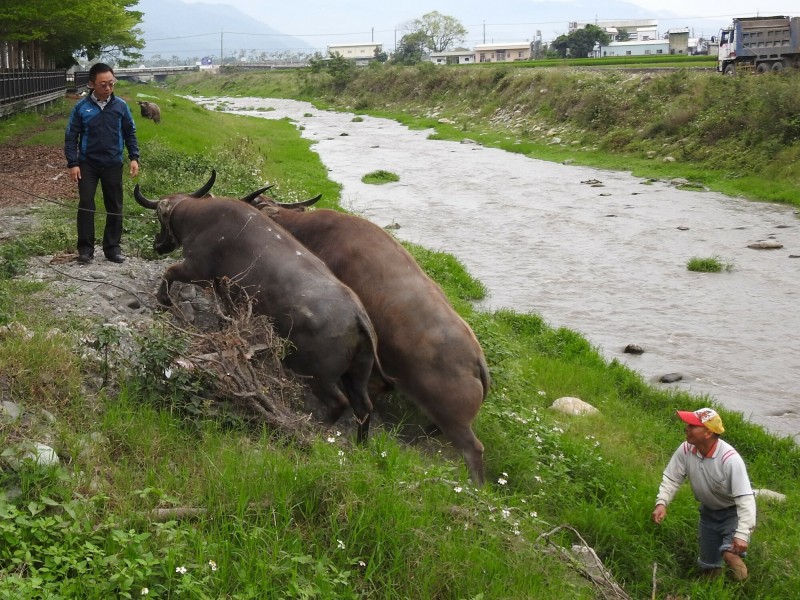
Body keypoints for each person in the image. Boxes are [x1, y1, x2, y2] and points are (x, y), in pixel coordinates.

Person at [651, 407, 756, 581]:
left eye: (692, 426)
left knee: (730, 555)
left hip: (733, 513)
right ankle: (712, 590)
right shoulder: (685, 449)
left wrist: (742, 534)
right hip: (708, 513)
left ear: (708, 433)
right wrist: (662, 503)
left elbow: (745, 499)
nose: (686, 428)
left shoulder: (730, 460)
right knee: (709, 566)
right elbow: (672, 478)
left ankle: (744, 588)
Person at [64, 63, 140, 264]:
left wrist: (134, 157)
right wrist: (73, 163)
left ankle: (112, 248)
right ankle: (85, 250)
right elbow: (71, 137)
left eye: (111, 83)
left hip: (113, 163)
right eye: (103, 84)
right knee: (87, 203)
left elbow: (129, 133)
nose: (108, 88)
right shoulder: (81, 108)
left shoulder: (121, 106)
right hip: (87, 164)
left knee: (115, 205)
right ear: (91, 84)